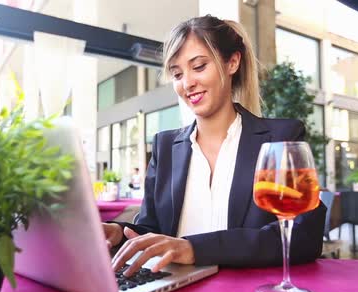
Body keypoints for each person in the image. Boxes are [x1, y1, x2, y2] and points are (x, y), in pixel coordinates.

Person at [104, 15, 326, 277]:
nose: (187, 83)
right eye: (177, 73)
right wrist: (119, 233)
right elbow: (154, 231)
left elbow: (303, 237)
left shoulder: (280, 137)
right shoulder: (165, 147)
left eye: (198, 67)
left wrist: (194, 249)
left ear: (232, 62)